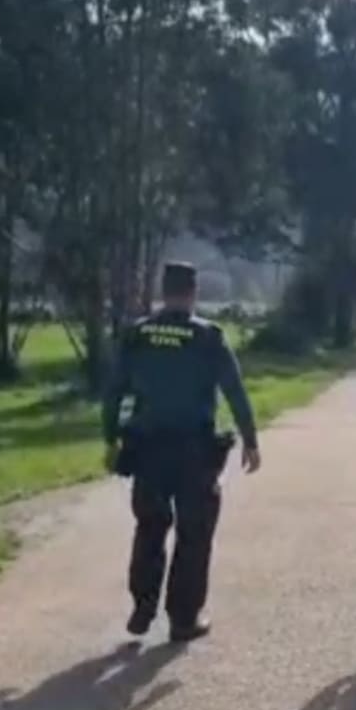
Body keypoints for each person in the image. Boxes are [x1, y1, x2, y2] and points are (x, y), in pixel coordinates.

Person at [103, 262, 262, 643]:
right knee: (194, 534)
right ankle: (183, 619)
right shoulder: (208, 337)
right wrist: (250, 440)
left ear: (163, 291)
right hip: (194, 451)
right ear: (193, 292)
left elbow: (114, 392)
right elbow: (234, 390)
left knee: (150, 527)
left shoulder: (138, 334)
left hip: (147, 449)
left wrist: (110, 439)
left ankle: (142, 607)